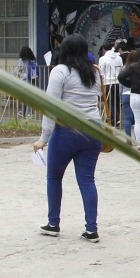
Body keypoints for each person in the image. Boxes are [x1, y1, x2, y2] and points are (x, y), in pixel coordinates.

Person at [32, 34, 105, 243]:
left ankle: (53, 223)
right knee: (87, 180)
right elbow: (96, 100)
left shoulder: (60, 72)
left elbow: (51, 107)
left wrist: (43, 138)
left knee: (54, 177)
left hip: (67, 130)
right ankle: (92, 229)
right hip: (93, 130)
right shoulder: (93, 72)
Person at [98, 42, 124, 127]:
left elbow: (100, 71)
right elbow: (121, 69)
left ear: (104, 49)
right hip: (117, 82)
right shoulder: (119, 58)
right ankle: (117, 117)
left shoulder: (103, 59)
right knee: (116, 101)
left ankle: (112, 119)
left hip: (107, 82)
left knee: (109, 102)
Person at [14, 46, 39, 118]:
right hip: (33, 80)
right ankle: (29, 113)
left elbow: (16, 71)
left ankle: (24, 112)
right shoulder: (34, 60)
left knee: (25, 97)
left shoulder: (21, 61)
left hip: (25, 80)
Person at [120, 49, 139, 137]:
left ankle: (128, 138)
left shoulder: (124, 68)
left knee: (128, 117)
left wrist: (120, 98)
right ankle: (138, 137)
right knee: (138, 118)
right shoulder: (139, 68)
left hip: (125, 94)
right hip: (136, 94)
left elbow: (120, 85)